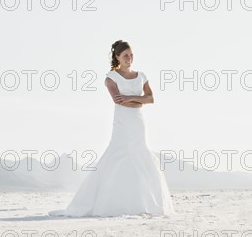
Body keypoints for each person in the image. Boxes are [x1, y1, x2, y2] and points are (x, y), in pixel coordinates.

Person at [49, 40, 175, 217]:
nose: (129, 59)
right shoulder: (111, 77)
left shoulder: (142, 76)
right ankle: (111, 202)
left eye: (131, 55)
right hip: (122, 122)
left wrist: (130, 99)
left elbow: (151, 98)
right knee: (118, 153)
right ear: (117, 57)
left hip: (138, 122)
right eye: (125, 56)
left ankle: (143, 204)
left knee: (140, 153)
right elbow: (118, 100)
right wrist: (138, 100)